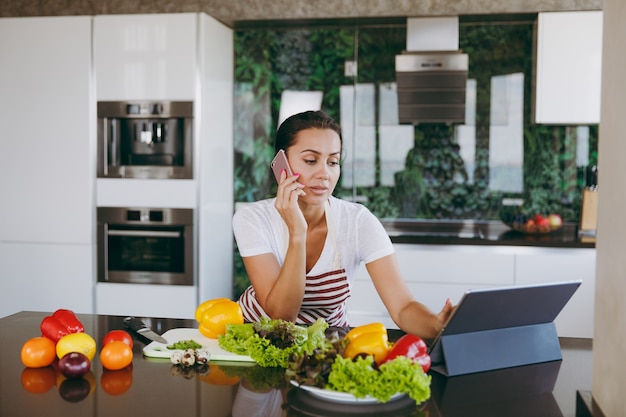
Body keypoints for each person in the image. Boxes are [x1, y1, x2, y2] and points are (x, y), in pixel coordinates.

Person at [233, 110, 453, 340]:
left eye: (333, 161)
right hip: (258, 337)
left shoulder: (357, 221)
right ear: (282, 165)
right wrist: (297, 233)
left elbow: (402, 307)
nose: (324, 173)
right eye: (310, 160)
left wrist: (436, 324)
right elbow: (281, 317)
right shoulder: (252, 218)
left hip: (326, 345)